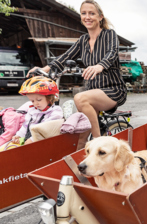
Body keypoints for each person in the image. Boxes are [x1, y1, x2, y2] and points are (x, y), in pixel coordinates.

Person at [26, 0, 127, 149]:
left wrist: (100, 66)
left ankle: (99, 144)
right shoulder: (83, 40)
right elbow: (65, 56)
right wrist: (43, 69)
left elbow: (112, 53)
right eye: (84, 13)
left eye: (92, 13)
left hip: (113, 89)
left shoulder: (109, 34)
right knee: (80, 138)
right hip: (93, 90)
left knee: (79, 98)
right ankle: (75, 169)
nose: (87, 17)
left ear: (100, 17)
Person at [11, 77, 63, 146]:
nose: (35, 103)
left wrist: (33, 139)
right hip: (30, 142)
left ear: (49, 97)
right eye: (32, 101)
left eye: (39, 100)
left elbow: (46, 130)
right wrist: (19, 135)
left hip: (45, 144)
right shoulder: (32, 111)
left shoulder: (55, 112)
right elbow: (26, 126)